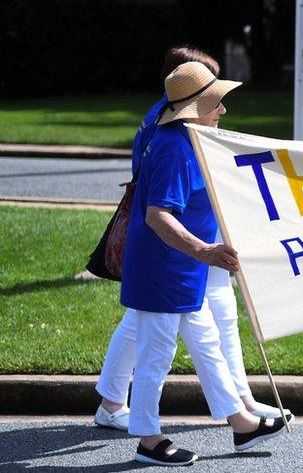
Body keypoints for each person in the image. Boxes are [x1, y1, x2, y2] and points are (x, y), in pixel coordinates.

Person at [94, 47, 289, 436]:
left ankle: (242, 419)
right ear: (194, 105)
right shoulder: (176, 147)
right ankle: (147, 437)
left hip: (182, 263)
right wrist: (206, 251)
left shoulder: (178, 134)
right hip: (170, 263)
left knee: (204, 338)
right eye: (216, 102)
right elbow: (158, 214)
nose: (223, 111)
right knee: (157, 356)